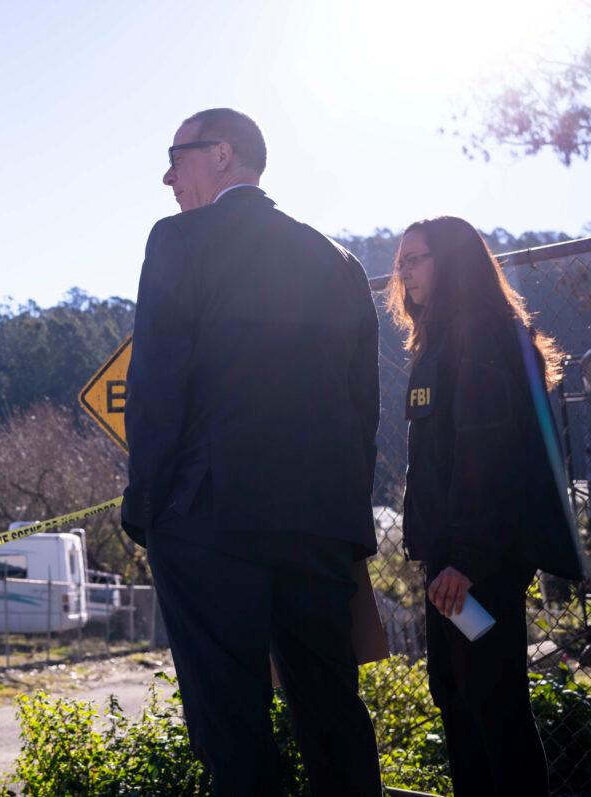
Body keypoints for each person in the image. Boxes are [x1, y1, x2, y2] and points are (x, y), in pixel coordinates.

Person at [123, 108, 383, 796]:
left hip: (211, 519)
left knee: (231, 723)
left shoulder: (180, 241)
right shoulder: (340, 261)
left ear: (223, 154)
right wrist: (346, 522)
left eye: (177, 156)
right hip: (320, 529)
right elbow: (364, 410)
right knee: (332, 715)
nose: (168, 176)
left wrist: (146, 509)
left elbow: (155, 384)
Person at [389, 216, 586, 797]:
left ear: (451, 265)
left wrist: (467, 560)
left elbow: (489, 456)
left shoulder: (480, 336)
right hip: (452, 559)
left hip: (478, 562)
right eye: (400, 261)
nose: (402, 272)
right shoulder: (441, 341)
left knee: (492, 705)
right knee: (457, 694)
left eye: (415, 259)